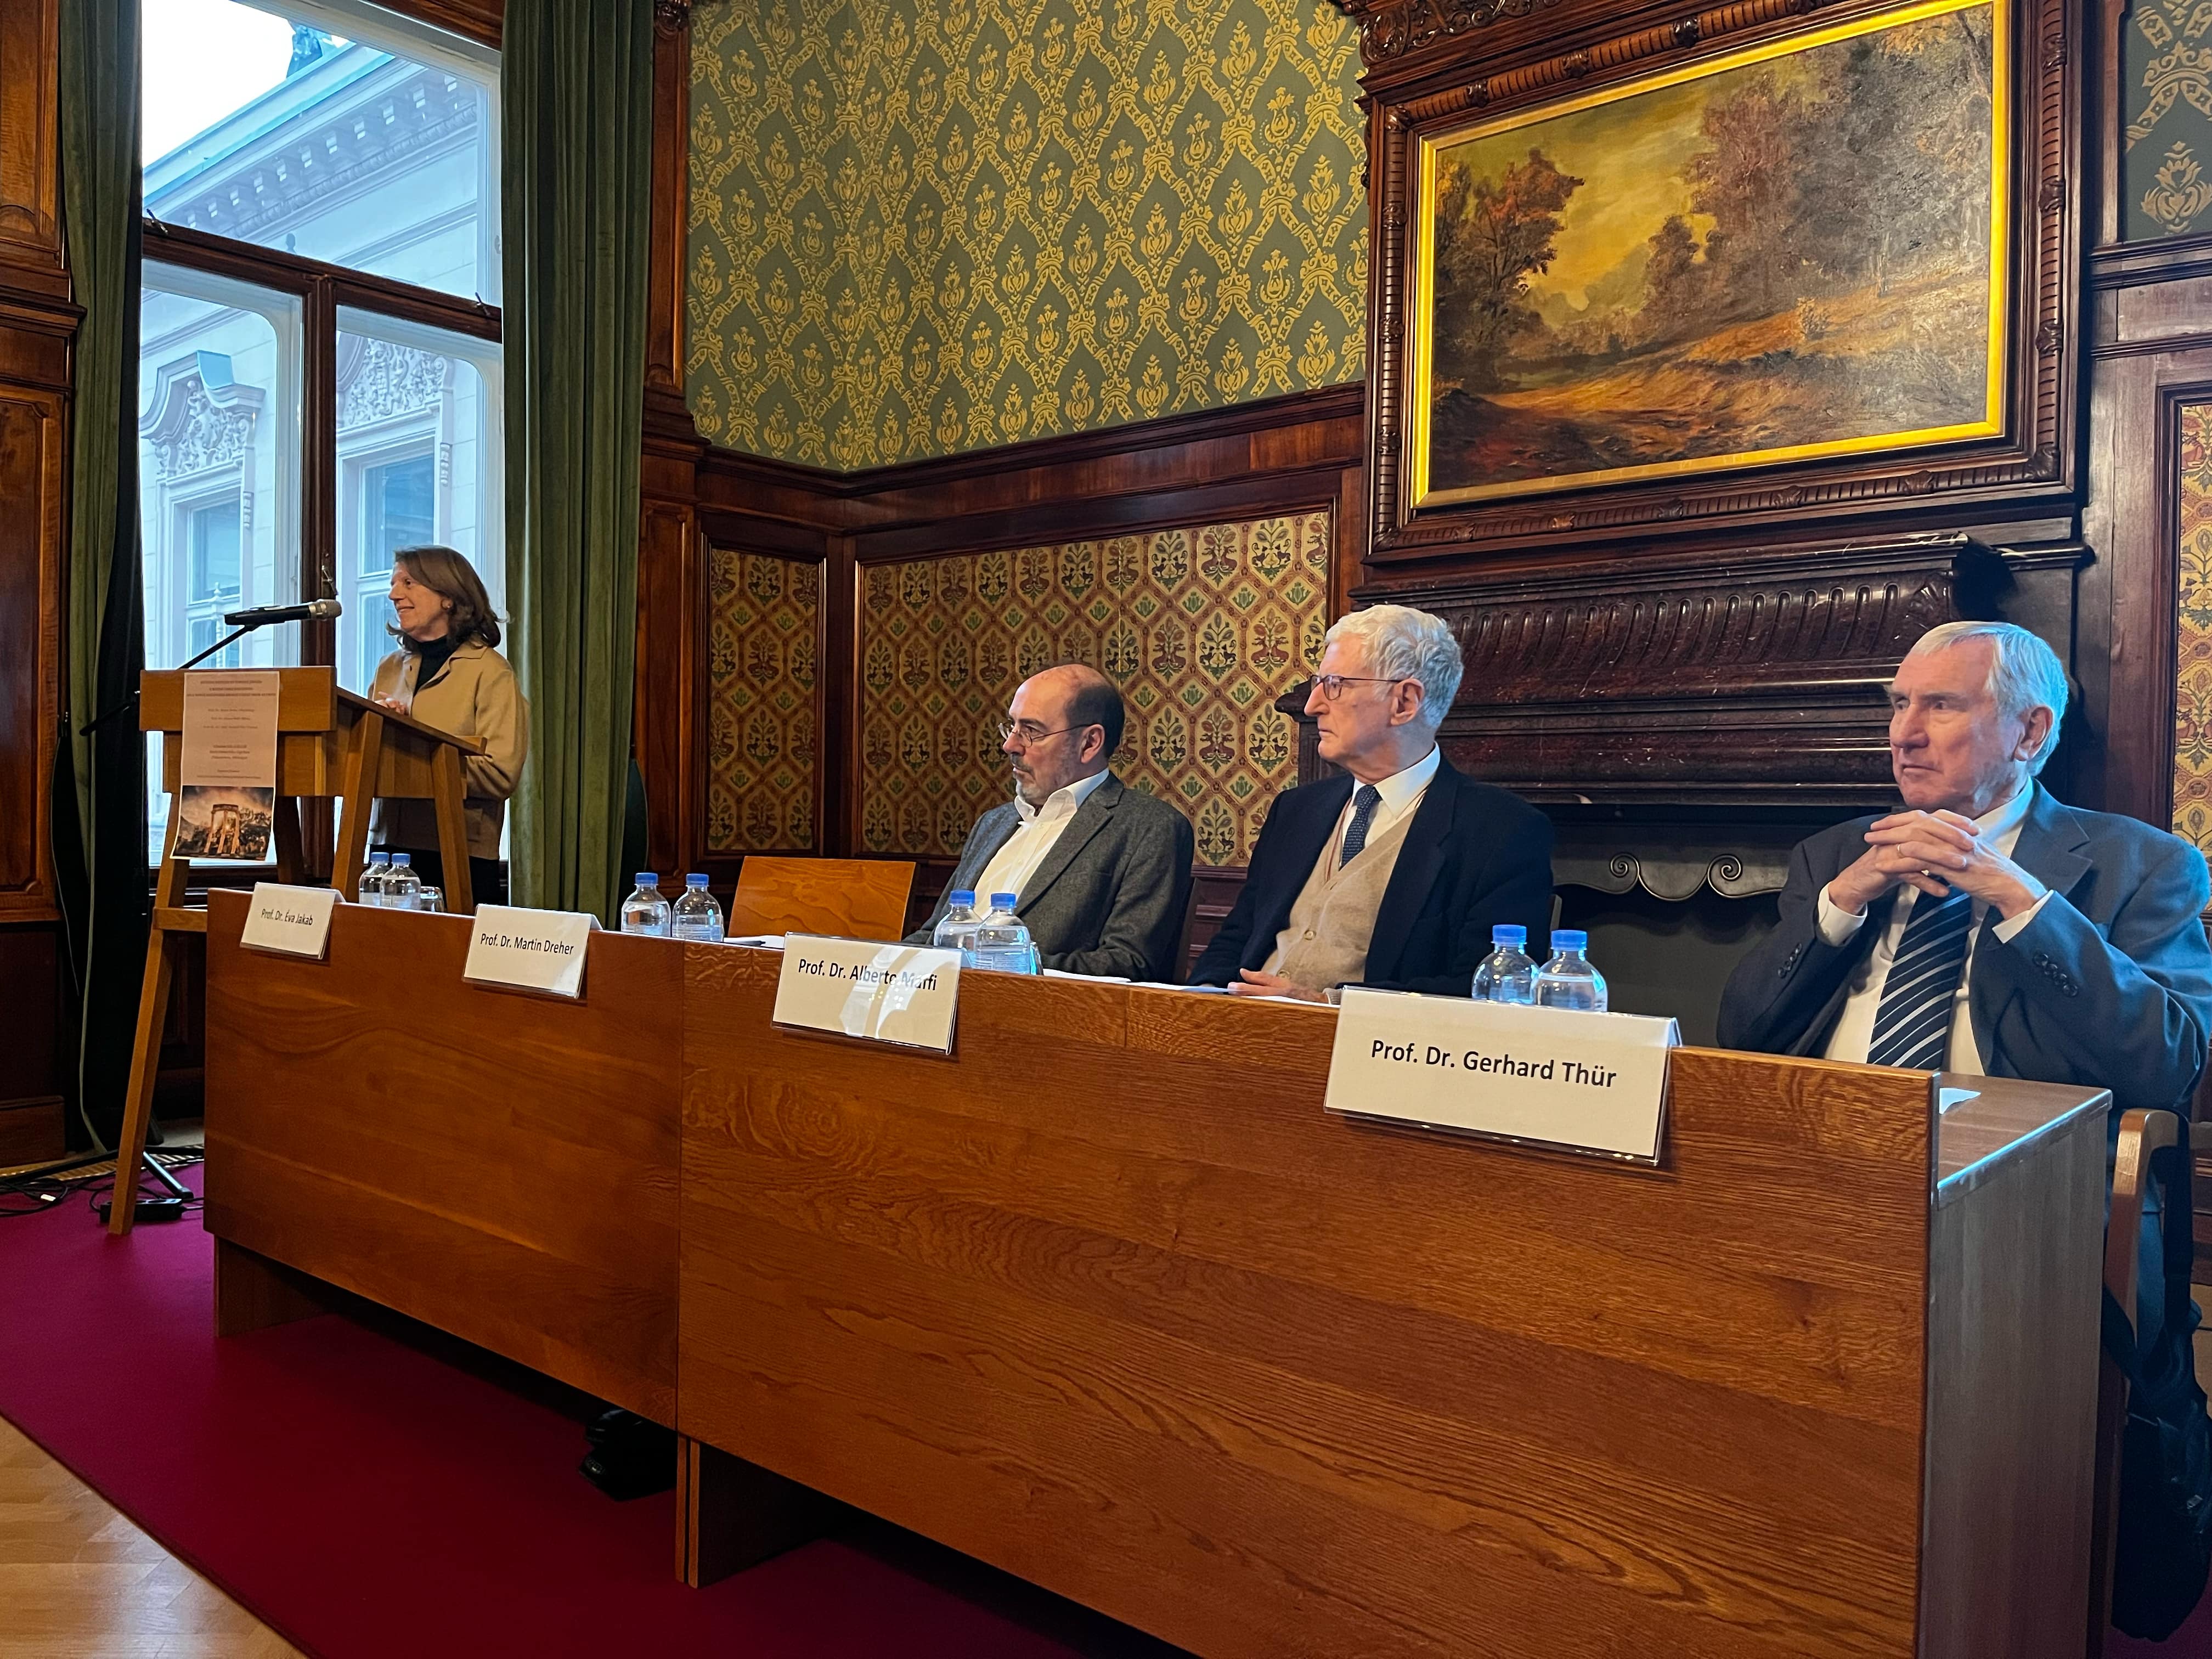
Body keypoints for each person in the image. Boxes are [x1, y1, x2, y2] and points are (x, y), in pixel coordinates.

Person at [1717, 619, 2212, 1367]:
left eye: (1941, 706)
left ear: (2029, 733)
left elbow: (2167, 1064)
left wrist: (2022, 901)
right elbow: (1742, 1034)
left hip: (2018, 1198)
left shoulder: (2142, 865)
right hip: (1825, 1172)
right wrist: (1841, 901)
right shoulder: (1839, 853)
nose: (1904, 735)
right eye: (1898, 705)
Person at [1189, 603, 1554, 1001]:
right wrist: (1206, 997)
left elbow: (1488, 989)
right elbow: (1235, 940)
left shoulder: (1502, 832)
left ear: (1404, 702)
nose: (1312, 706)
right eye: (1318, 683)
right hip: (1242, 1027)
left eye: (1335, 685)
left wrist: (1329, 1004)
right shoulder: (1295, 811)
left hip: (1366, 1039)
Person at [906, 664, 1195, 981]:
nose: (1010, 745)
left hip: (1046, 1008)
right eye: (1012, 726)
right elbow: (933, 936)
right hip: (940, 1002)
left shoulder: (1150, 828)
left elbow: (1127, 963)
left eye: (1031, 731)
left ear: (1090, 743)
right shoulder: (993, 823)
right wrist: (879, 964)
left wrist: (993, 964)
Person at [368, 545, 529, 906]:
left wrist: (414, 754)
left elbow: (501, 773)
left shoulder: (490, 671)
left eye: (408, 583)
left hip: (459, 854)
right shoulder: (388, 668)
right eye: (393, 584)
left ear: (448, 597)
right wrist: (377, 733)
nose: (394, 594)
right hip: (387, 851)